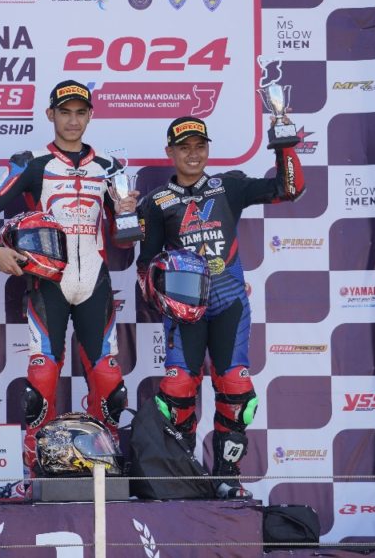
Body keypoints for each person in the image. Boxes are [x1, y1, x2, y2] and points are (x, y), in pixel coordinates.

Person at [0, 80, 139, 468]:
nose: (73, 121)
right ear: (50, 115)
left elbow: (123, 240)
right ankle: (37, 467)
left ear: (90, 115)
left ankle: (103, 464)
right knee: (41, 380)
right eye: (65, 112)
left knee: (110, 383)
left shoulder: (109, 168)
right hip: (48, 284)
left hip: (94, 281)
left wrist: (128, 215)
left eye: (80, 113)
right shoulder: (33, 164)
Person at [136, 116, 305, 499]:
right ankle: (182, 473)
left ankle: (227, 477)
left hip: (229, 303)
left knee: (236, 389)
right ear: (170, 152)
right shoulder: (157, 202)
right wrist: (160, 293)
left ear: (208, 149)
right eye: (184, 148)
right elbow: (146, 265)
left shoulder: (228, 186)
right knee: (178, 388)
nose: (193, 154)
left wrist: (284, 145)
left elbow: (290, 188)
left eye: (200, 146)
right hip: (184, 312)